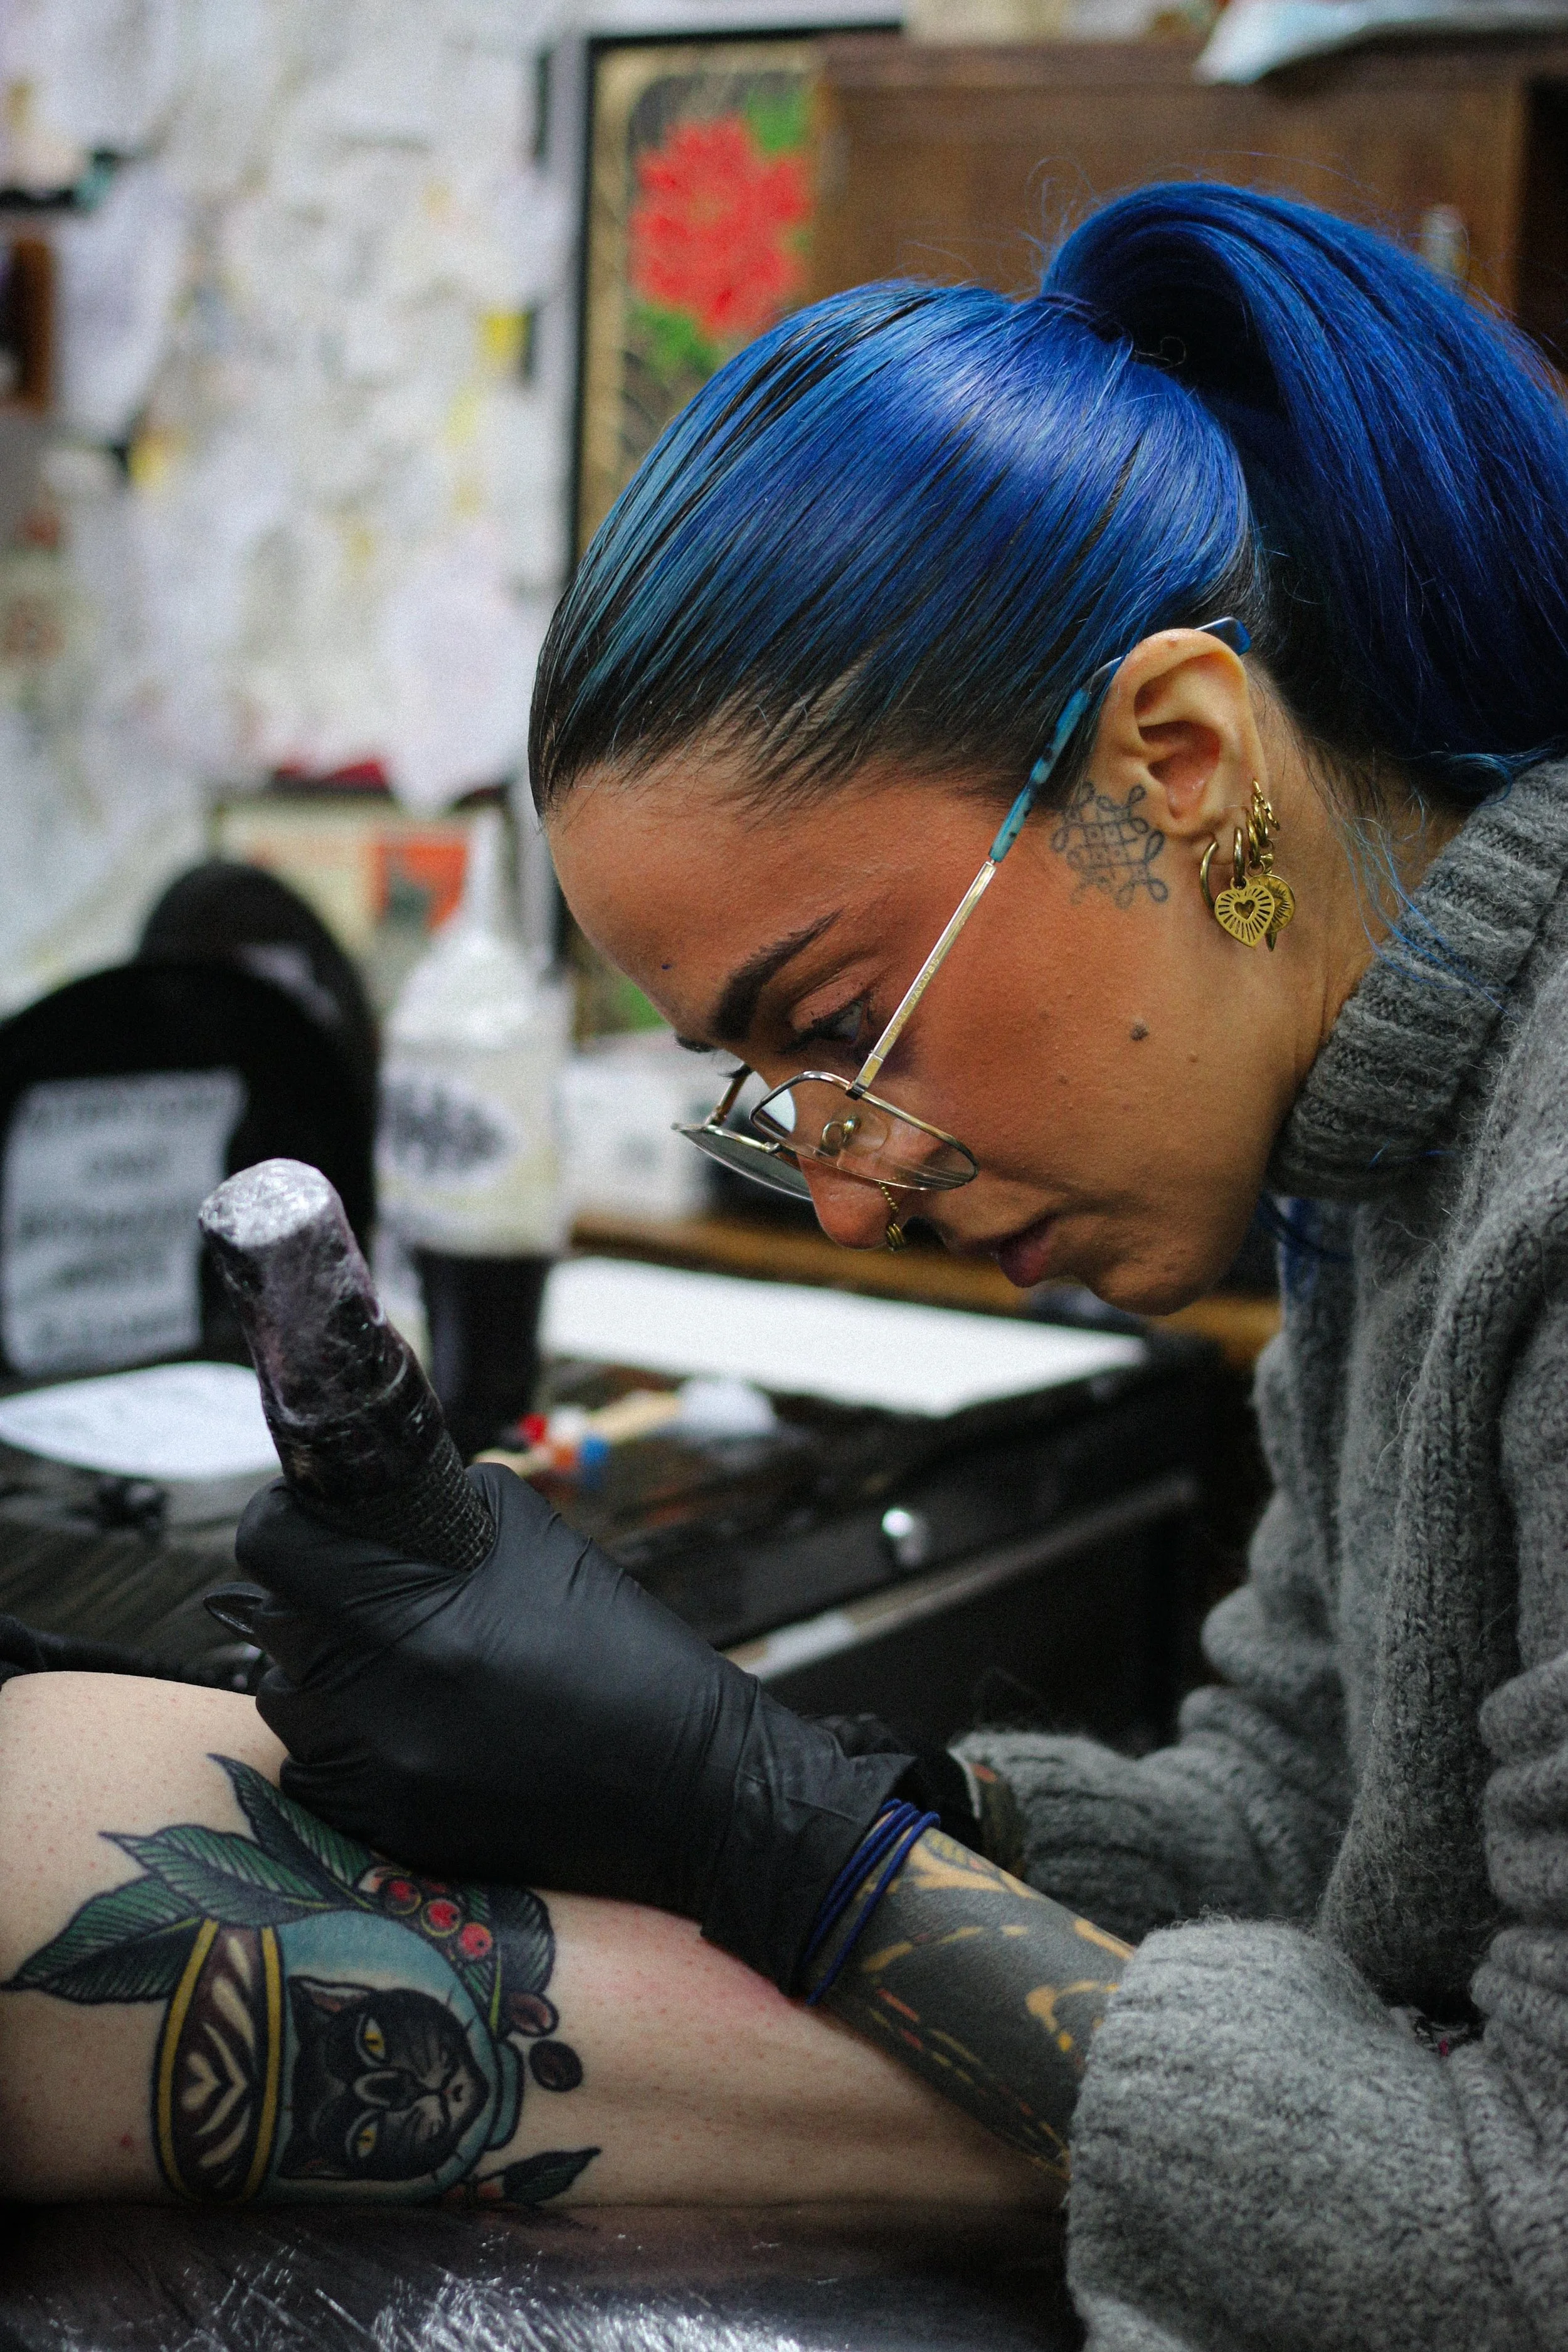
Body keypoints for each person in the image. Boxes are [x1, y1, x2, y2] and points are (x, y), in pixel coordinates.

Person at [208, 178, 1568, 2344]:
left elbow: (1529, 2226)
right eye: (764, 1082)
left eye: (841, 1026)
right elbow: (1314, 1818)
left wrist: (769, 1839)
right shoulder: (1368, 1147)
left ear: (1177, 767)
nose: (841, 1190)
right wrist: (821, 1794)